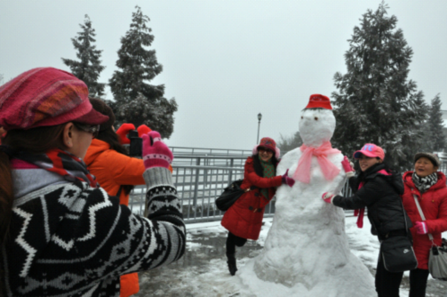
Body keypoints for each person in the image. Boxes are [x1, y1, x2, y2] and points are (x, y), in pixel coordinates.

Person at [0, 67, 185, 297]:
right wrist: (159, 169)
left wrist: (115, 142)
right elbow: (173, 239)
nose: (93, 136)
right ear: (68, 133)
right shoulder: (86, 216)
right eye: (92, 128)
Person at [322, 143, 411, 297]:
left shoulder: (379, 180)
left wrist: (333, 198)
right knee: (383, 284)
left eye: (368, 158)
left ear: (378, 159)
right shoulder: (378, 176)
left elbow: (355, 201)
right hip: (391, 234)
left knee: (387, 287)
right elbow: (362, 191)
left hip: (395, 235)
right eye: (361, 158)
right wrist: (350, 175)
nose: (362, 161)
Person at [83, 98, 147, 297]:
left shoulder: (66, 155)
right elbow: (160, 169)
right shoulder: (110, 161)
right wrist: (151, 143)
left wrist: (113, 142)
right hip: (110, 248)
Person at [220, 137, 295, 276]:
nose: (265, 153)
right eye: (263, 150)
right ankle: (231, 260)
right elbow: (258, 181)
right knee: (233, 233)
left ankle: (232, 255)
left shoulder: (275, 167)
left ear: (274, 154)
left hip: (257, 208)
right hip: (243, 204)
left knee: (241, 240)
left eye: (269, 151)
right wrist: (280, 179)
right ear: (258, 150)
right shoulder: (250, 163)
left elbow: (274, 186)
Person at [401, 153, 447, 297]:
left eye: (426, 163)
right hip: (402, 241)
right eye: (418, 162)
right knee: (390, 284)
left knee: (417, 288)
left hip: (426, 246)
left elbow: (446, 219)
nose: (420, 165)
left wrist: (429, 226)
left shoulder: (443, 192)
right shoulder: (403, 185)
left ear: (435, 168)